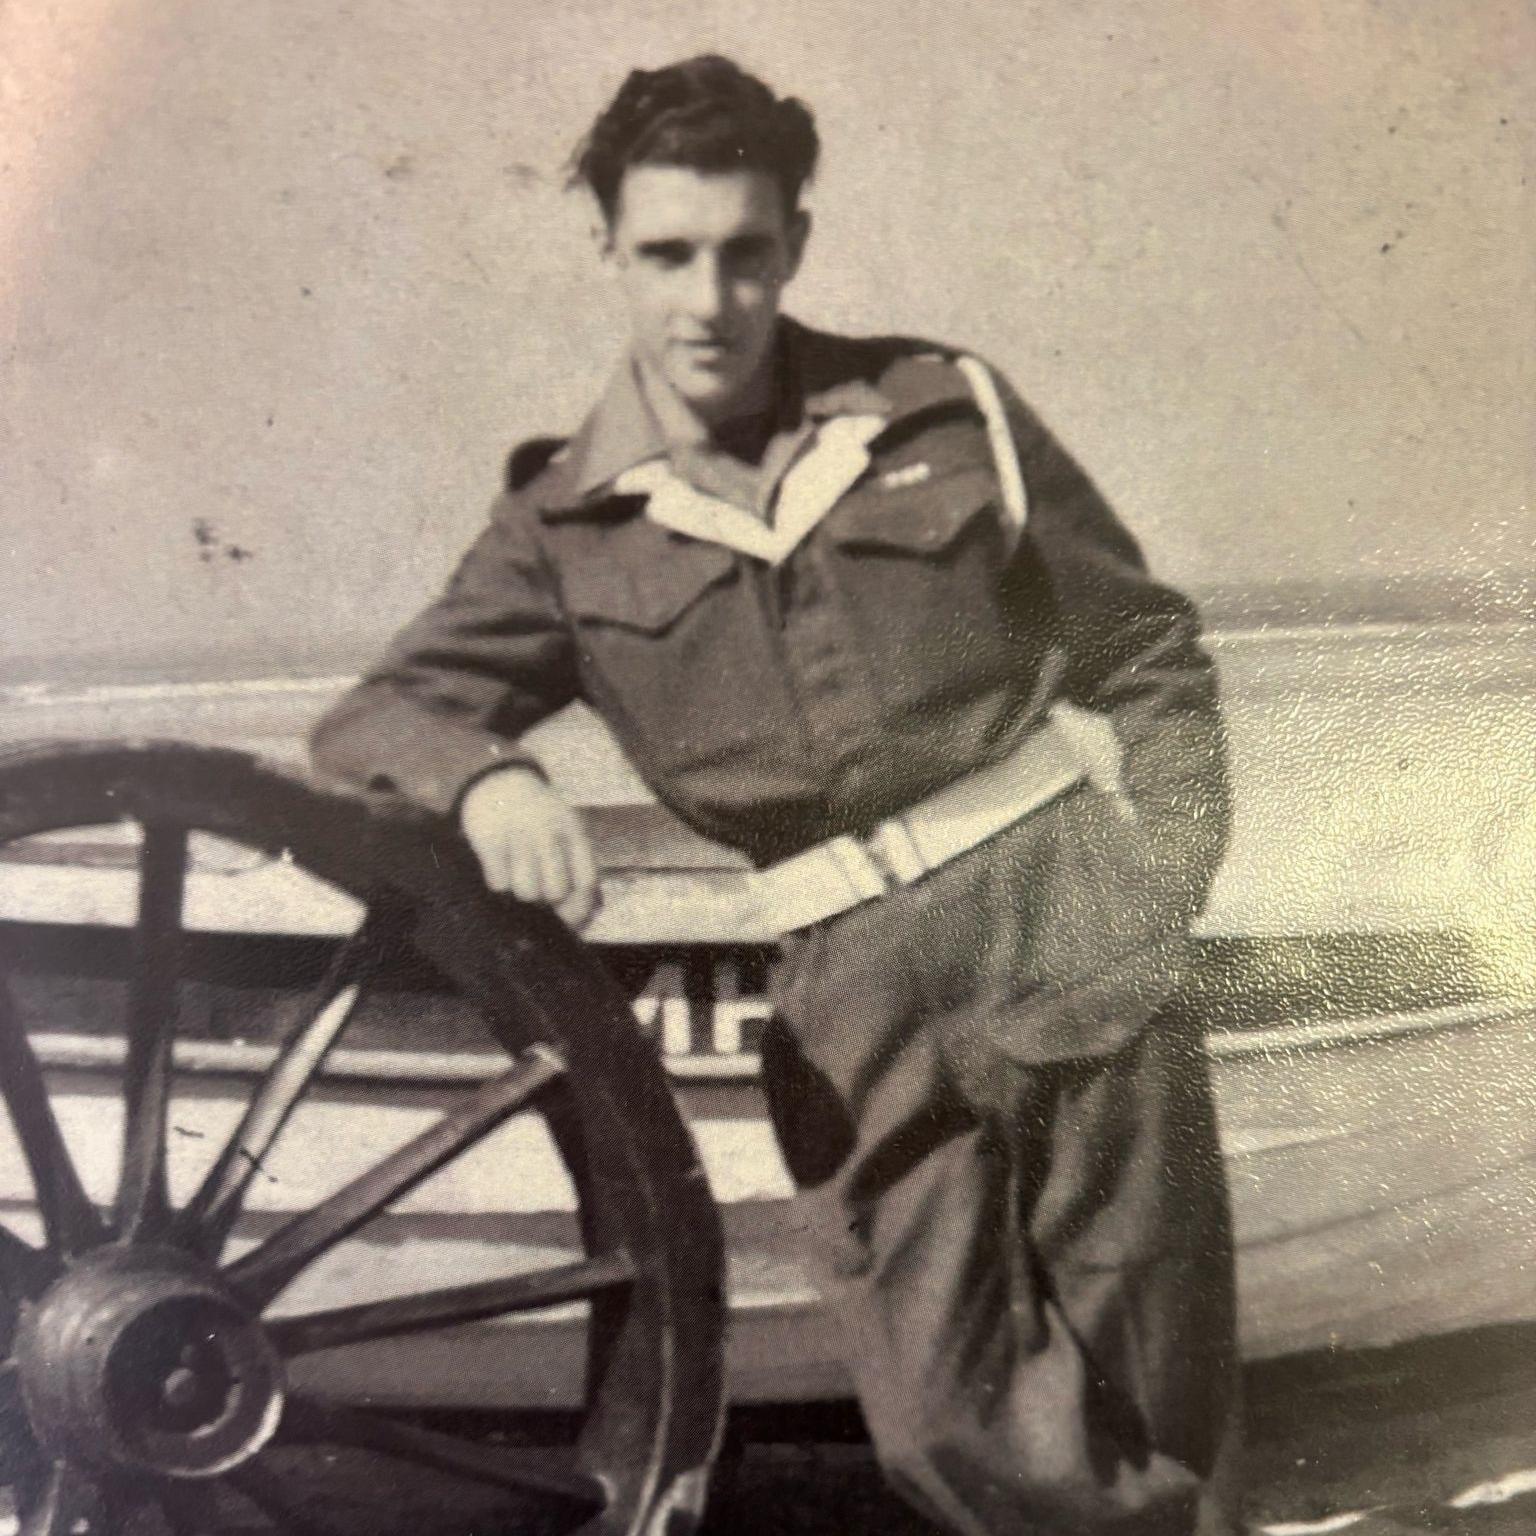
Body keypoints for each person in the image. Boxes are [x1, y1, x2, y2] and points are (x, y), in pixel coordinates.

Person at [310, 54, 1241, 1536]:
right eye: (668, 254)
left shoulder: (945, 409)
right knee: (946, 1427)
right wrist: (485, 776)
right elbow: (381, 712)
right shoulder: (564, 526)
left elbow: (1140, 643)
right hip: (848, 1000)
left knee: (1148, 1379)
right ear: (607, 251)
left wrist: (1162, 875)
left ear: (795, 243)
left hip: (1062, 910)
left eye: (746, 253)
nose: (709, 299)